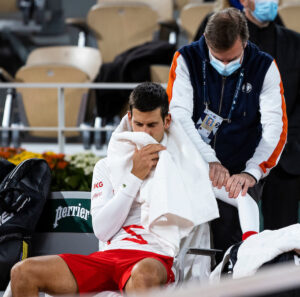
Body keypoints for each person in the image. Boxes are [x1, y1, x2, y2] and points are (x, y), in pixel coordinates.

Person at [9, 82, 259, 297]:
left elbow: (243, 199)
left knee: (143, 274)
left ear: (167, 121)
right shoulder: (107, 166)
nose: (145, 132)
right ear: (129, 119)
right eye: (138, 124)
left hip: (155, 259)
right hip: (108, 258)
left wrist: (251, 242)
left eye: (152, 125)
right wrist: (134, 177)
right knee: (23, 272)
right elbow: (102, 229)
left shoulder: (188, 166)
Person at [167, 8, 287, 256]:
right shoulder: (186, 59)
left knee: (230, 245)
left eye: (231, 59)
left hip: (242, 166)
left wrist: (252, 172)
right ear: (207, 42)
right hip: (193, 163)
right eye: (217, 58)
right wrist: (208, 159)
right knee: (187, 246)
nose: (223, 65)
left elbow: (276, 129)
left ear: (245, 42)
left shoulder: (265, 67)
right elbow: (177, 117)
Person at [195, 0, 300, 230]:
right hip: (230, 160)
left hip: (286, 161)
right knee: (228, 240)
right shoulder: (218, 33)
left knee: (283, 240)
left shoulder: (295, 43)